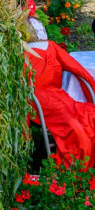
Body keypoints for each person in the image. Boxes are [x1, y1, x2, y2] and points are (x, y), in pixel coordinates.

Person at [26, 34, 95, 167]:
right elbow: (78, 70)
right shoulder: (48, 47)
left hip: (53, 98)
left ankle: (85, 164)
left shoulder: (48, 46)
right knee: (76, 124)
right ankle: (77, 168)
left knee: (88, 116)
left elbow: (78, 70)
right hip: (42, 100)